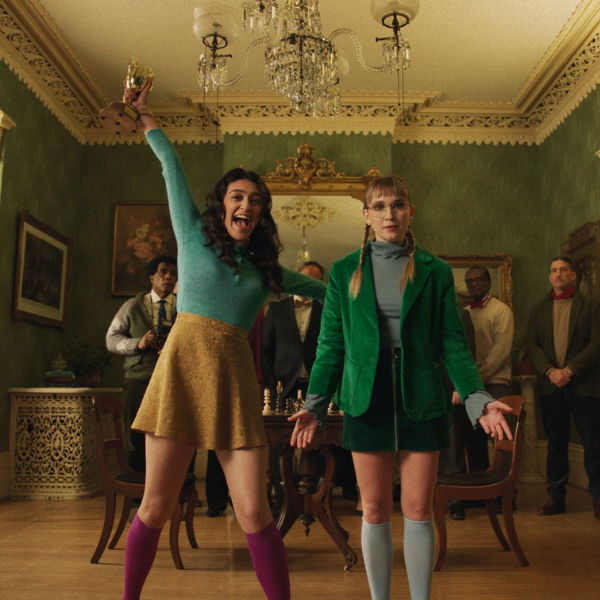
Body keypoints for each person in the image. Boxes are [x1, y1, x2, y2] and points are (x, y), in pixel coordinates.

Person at [121, 79, 327, 600]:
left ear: (260, 214)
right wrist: (147, 117)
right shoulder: (192, 235)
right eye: (238, 196)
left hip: (235, 380)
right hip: (181, 370)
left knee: (255, 511)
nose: (247, 205)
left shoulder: (266, 270)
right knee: (155, 505)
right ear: (223, 204)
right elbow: (171, 165)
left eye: (255, 201)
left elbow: (327, 291)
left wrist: (366, 289)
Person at [289, 175, 513, 600]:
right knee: (373, 509)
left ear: (411, 211)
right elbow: (331, 345)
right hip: (365, 395)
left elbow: (453, 343)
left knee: (417, 509)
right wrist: (315, 406)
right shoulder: (342, 272)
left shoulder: (436, 271)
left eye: (397, 205)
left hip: (421, 395)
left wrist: (477, 399)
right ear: (367, 215)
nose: (389, 213)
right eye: (380, 206)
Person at [526, 256, 600, 520]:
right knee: (555, 445)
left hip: (585, 385)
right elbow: (532, 345)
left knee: (594, 445)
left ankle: (598, 499)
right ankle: (556, 498)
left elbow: (596, 344)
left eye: (563, 270)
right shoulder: (538, 310)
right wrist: (550, 371)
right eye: (554, 270)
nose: (558, 274)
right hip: (551, 386)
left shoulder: (591, 306)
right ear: (549, 277)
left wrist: (569, 370)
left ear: (573, 276)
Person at [448, 265, 515, 519]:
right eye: (469, 281)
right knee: (472, 441)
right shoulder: (463, 313)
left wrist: (471, 382)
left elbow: (501, 352)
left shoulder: (501, 310)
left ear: (489, 282)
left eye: (478, 279)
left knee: (499, 440)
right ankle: (478, 494)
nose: (474, 284)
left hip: (494, 381)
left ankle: (505, 495)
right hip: (469, 385)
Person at [106, 255, 177, 472]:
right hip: (138, 382)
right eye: (163, 272)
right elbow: (111, 339)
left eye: (172, 273)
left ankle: (173, 493)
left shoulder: (183, 308)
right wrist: (138, 343)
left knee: (172, 438)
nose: (168, 277)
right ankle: (138, 494)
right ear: (151, 277)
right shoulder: (133, 306)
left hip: (172, 382)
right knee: (135, 436)